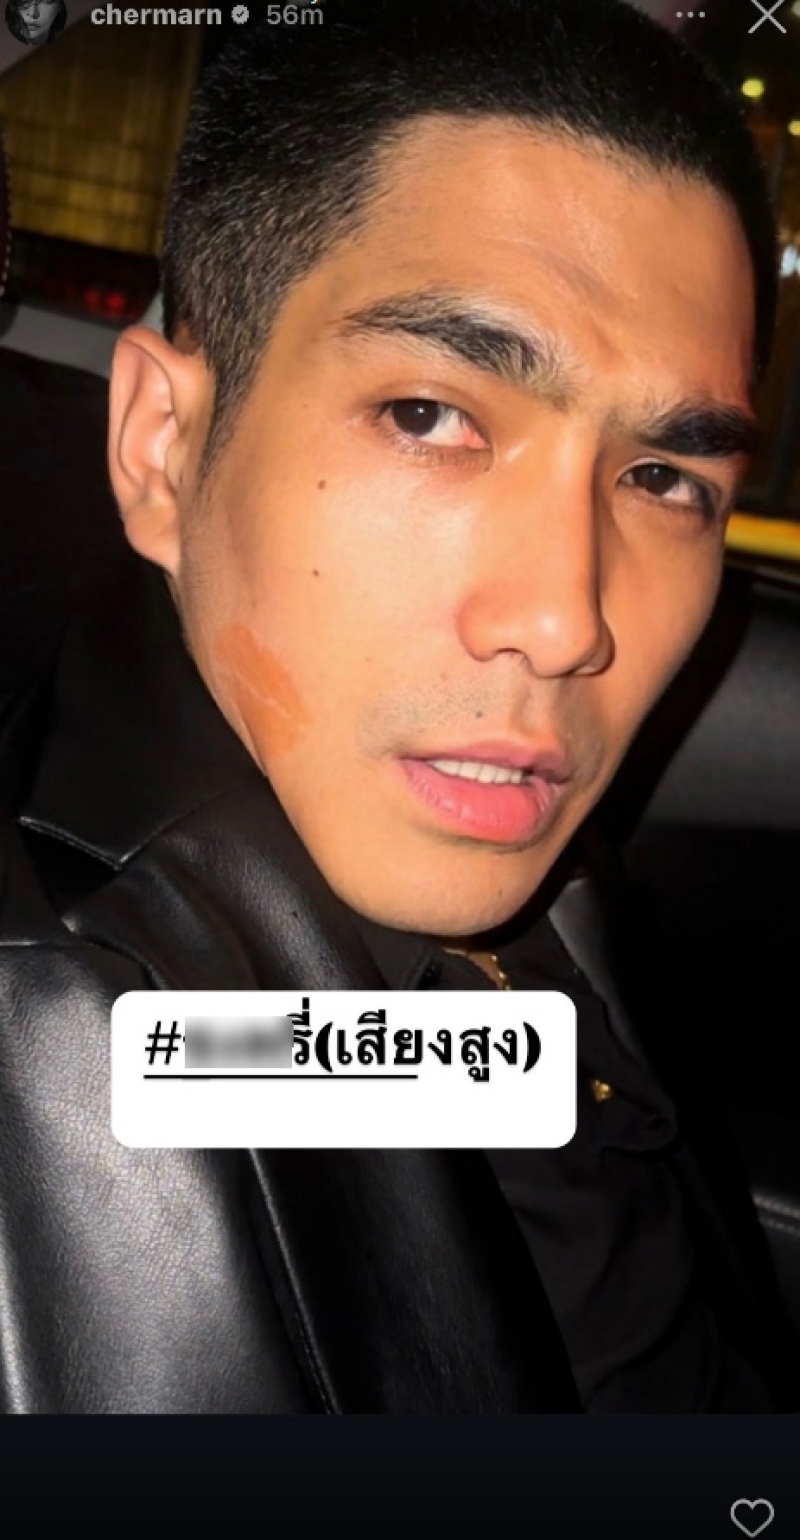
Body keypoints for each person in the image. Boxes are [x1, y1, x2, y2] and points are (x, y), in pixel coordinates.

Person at [0, 0, 795, 1414]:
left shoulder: (515, 882)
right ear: (164, 447)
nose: (567, 621)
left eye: (663, 479)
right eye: (430, 416)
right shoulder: (67, 1037)